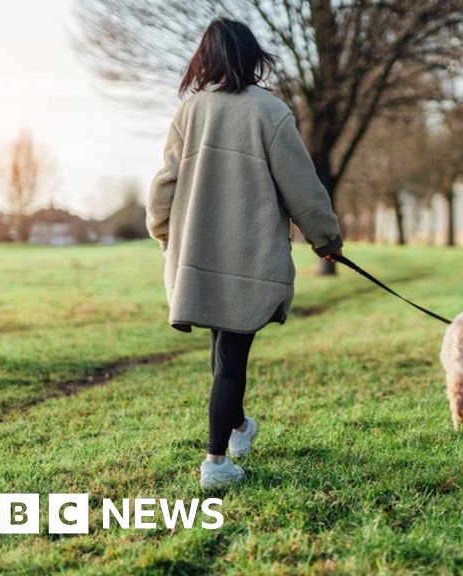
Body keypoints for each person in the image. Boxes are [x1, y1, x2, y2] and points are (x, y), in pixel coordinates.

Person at [146, 18, 343, 490]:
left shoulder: (189, 112)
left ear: (205, 59)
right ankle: (215, 462)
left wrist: (163, 232)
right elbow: (302, 186)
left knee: (223, 355)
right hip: (249, 257)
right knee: (231, 359)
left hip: (198, 256)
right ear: (252, 56)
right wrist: (326, 238)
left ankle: (238, 428)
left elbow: (164, 184)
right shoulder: (269, 112)